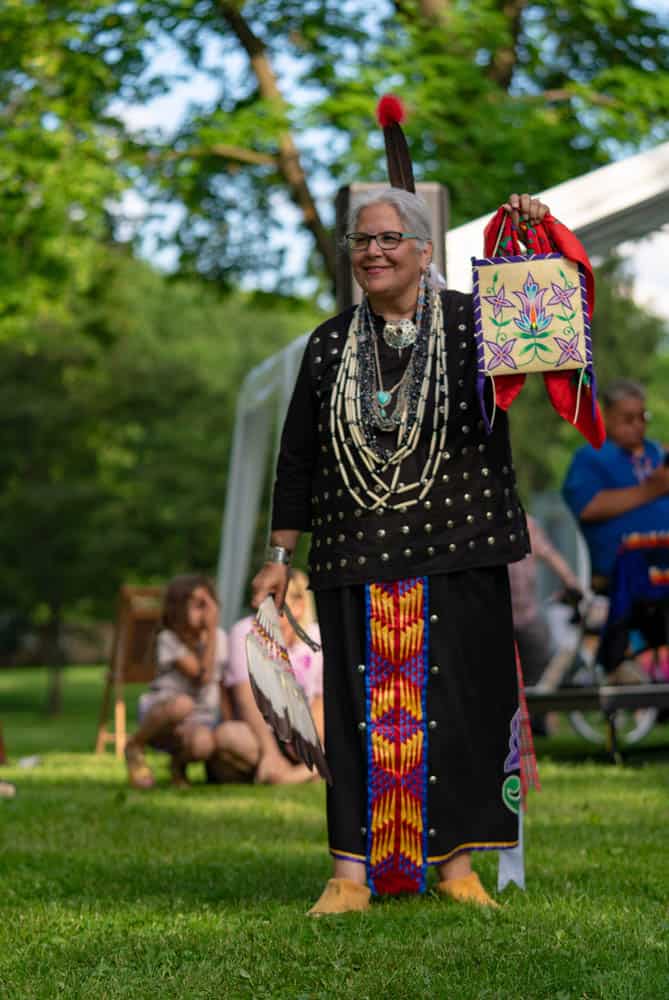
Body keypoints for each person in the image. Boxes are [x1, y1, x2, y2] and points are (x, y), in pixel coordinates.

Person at [250, 177, 552, 914]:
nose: (374, 251)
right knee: (357, 711)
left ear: (423, 250)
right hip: (356, 552)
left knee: (463, 707)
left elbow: (548, 336)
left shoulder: (474, 324)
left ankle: (455, 868)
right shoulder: (329, 345)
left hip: (461, 546)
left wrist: (528, 240)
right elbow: (297, 459)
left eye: (390, 238)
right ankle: (349, 875)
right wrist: (279, 554)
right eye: (362, 240)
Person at [563, 379, 669, 678]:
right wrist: (650, 491)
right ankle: (616, 659)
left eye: (642, 417)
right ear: (605, 415)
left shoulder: (656, 453)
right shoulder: (591, 457)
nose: (637, 426)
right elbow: (587, 507)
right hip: (623, 568)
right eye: (628, 418)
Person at [214, 570, 324, 785]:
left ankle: (287, 776)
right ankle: (301, 771)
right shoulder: (244, 632)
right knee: (227, 736)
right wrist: (270, 751)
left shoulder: (317, 637)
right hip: (260, 733)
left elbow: (321, 700)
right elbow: (246, 700)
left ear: (300, 606)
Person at [509, 515, 583, 689]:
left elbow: (549, 553)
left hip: (527, 616)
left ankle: (542, 712)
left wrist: (571, 582)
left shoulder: (525, 522)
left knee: (539, 677)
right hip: (497, 620)